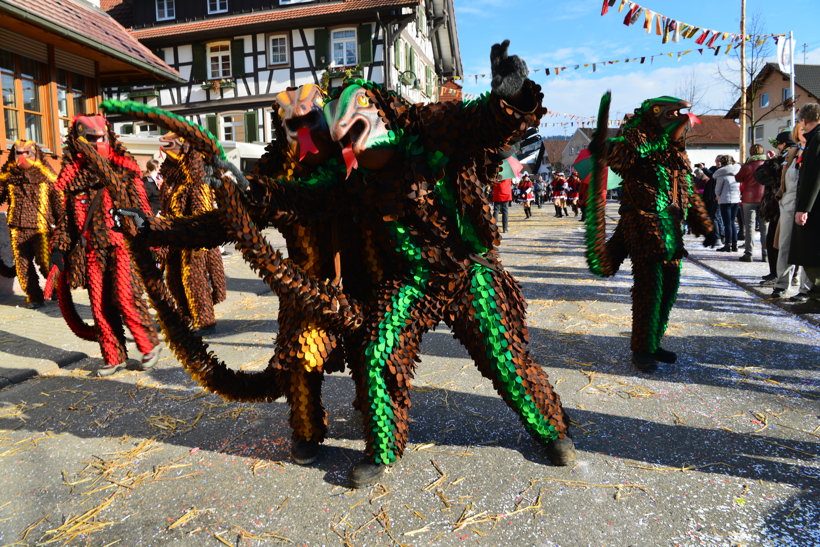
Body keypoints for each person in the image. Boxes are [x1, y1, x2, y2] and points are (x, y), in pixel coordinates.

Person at [0, 140, 60, 308]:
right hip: (17, 229)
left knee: (46, 263)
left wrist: (63, 224)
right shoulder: (9, 176)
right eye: (19, 153)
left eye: (27, 153)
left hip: (40, 228)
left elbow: (58, 201)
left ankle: (56, 288)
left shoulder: (46, 175)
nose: (23, 157)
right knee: (23, 265)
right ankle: (34, 297)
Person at [771, 126, 813, 299]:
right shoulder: (793, 152)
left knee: (807, 246)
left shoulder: (814, 148)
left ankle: (806, 288)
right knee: (785, 244)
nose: (804, 131)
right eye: (801, 128)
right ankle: (781, 284)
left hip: (809, 206)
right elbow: (784, 176)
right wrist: (781, 196)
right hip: (788, 203)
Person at [789, 103, 820, 312]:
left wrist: (804, 209)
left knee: (810, 251)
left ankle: (816, 298)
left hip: (815, 207)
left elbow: (813, 177)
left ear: (804, 120)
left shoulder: (817, 138)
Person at [736, 144, 768, 262]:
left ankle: (749, 253)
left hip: (748, 199)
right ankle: (766, 254)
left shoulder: (748, 165)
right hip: (764, 198)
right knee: (765, 227)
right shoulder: (766, 164)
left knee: (749, 226)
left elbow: (738, 178)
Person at [713, 155, 741, 253]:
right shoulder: (737, 173)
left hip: (725, 200)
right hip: (736, 199)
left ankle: (727, 244)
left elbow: (718, 189)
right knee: (732, 222)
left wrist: (717, 195)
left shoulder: (721, 174)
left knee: (727, 223)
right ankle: (734, 244)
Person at [702, 158, 724, 247]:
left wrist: (704, 169)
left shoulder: (722, 171)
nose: (717, 163)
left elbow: (713, 175)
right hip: (711, 198)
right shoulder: (714, 169)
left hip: (718, 198)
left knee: (716, 217)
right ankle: (719, 236)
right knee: (715, 217)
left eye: (719, 161)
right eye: (716, 161)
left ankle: (719, 237)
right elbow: (711, 174)